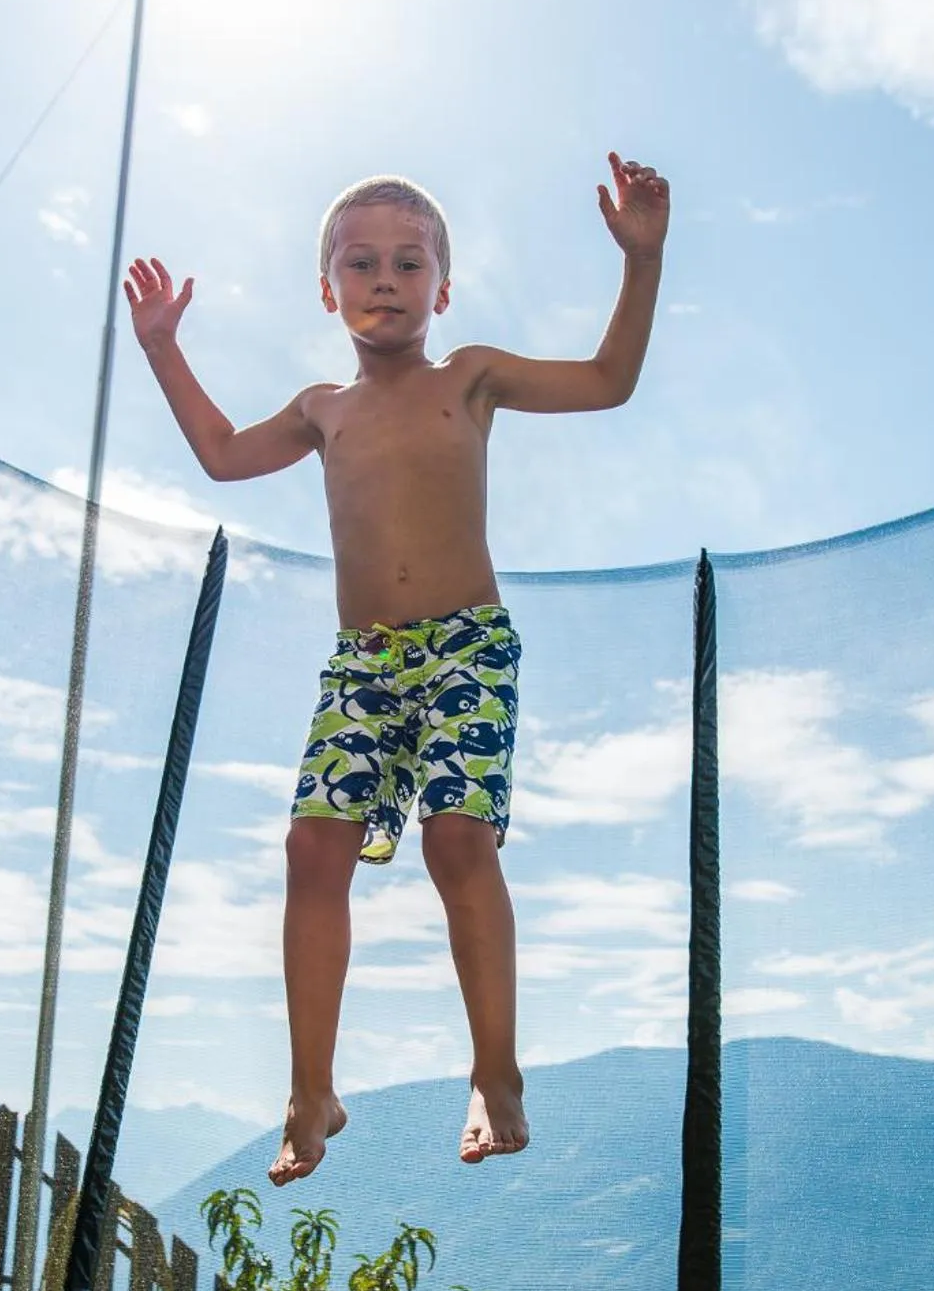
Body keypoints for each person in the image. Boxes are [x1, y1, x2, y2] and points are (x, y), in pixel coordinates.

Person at [124, 152, 669, 1183]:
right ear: (327, 289)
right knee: (310, 848)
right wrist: (161, 348)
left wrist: (639, 262)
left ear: (440, 288)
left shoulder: (469, 376)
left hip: (466, 640)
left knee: (457, 842)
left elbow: (608, 381)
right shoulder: (322, 408)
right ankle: (310, 1089)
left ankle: (494, 1069)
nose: (383, 278)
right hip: (363, 662)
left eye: (407, 262)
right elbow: (222, 454)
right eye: (360, 262)